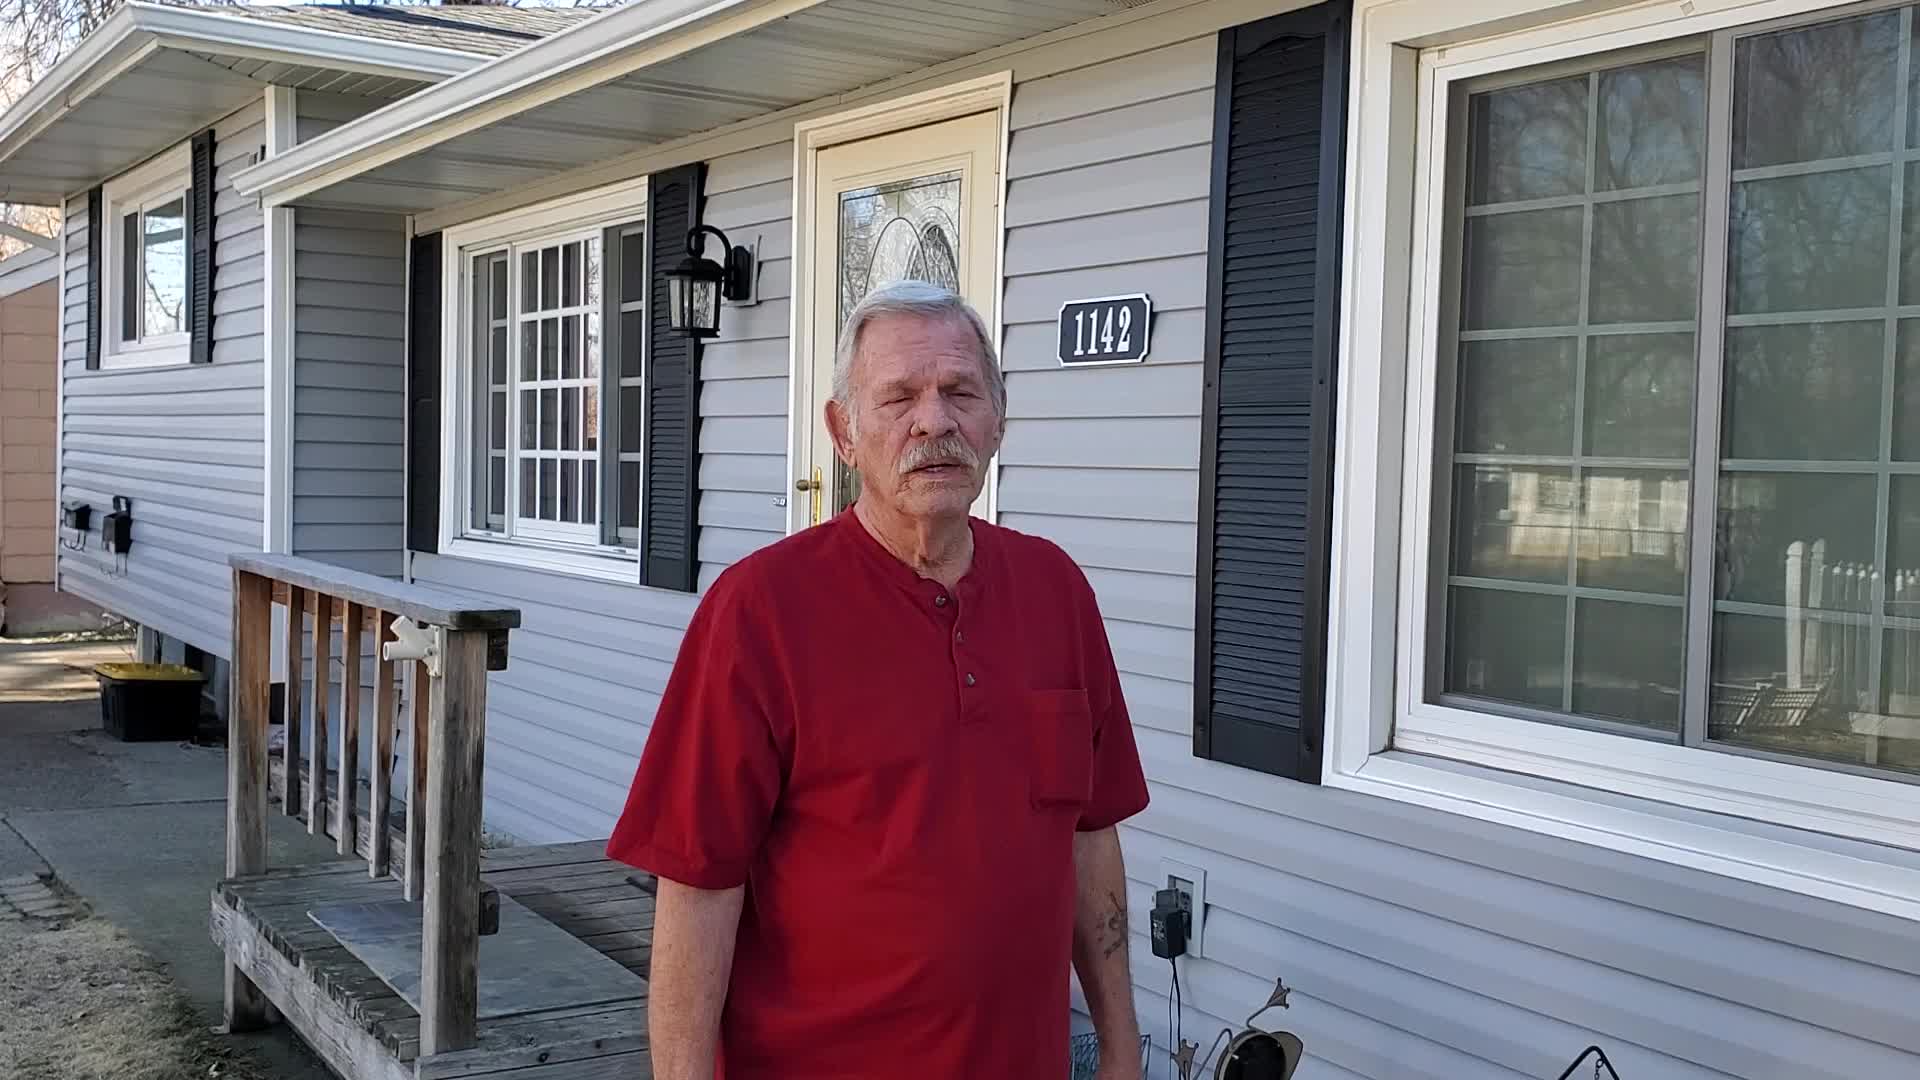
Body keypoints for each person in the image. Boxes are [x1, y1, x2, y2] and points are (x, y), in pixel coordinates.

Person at [606, 280, 1151, 1080]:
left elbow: (1090, 836)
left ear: (997, 420)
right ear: (844, 433)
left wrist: (1120, 1044)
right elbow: (697, 884)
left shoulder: (1056, 591)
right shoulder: (759, 612)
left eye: (961, 392)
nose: (935, 421)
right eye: (898, 397)